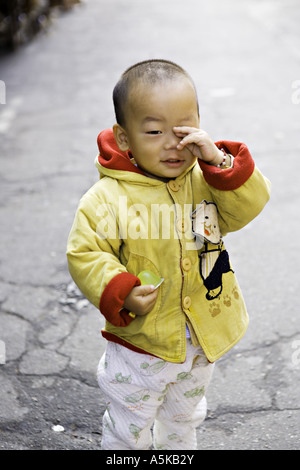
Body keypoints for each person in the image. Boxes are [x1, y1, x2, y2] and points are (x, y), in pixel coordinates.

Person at [66, 59, 270, 450]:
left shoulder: (206, 179)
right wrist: (119, 288)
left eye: (183, 130)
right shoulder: (108, 199)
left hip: (201, 336)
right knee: (130, 429)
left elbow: (247, 207)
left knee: (184, 419)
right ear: (124, 139)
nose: (173, 143)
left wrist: (218, 162)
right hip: (141, 346)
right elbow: (85, 253)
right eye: (155, 131)